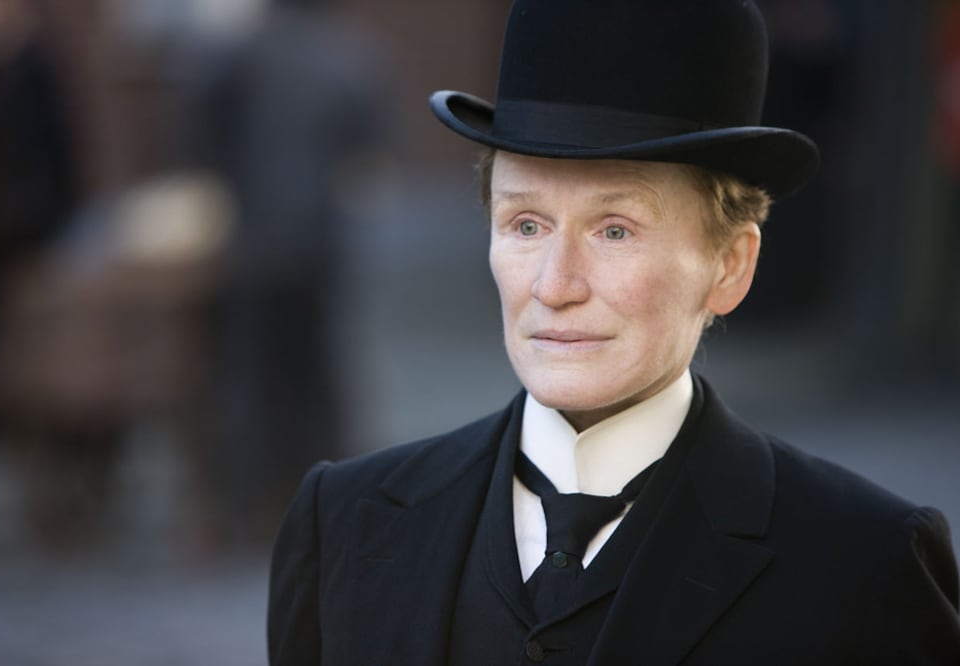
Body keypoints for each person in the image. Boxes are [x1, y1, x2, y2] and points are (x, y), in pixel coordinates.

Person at [268, 1, 960, 664]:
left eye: (615, 230)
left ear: (730, 265)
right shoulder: (344, 522)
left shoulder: (864, 567)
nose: (555, 285)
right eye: (526, 225)